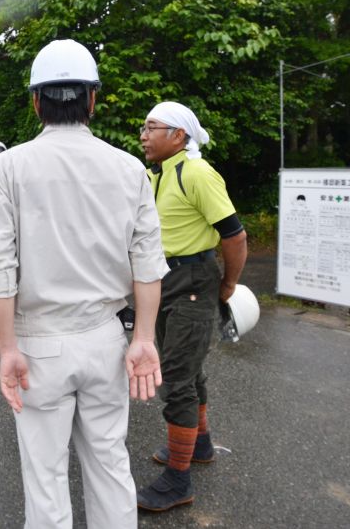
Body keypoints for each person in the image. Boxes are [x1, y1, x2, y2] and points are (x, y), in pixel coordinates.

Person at [0, 39, 169, 529]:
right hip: (107, 339)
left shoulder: (10, 167)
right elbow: (148, 263)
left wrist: (6, 349)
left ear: (36, 101)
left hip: (38, 343)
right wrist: (143, 337)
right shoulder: (130, 168)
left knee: (45, 476)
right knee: (110, 462)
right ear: (93, 99)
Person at [136, 101, 248, 512]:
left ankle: (177, 481)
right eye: (143, 128)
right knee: (187, 370)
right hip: (164, 280)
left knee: (177, 379)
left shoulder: (196, 172)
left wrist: (229, 284)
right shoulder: (153, 174)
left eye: (153, 128)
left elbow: (234, 236)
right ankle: (198, 445)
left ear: (179, 136)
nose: (144, 136)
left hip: (194, 281)